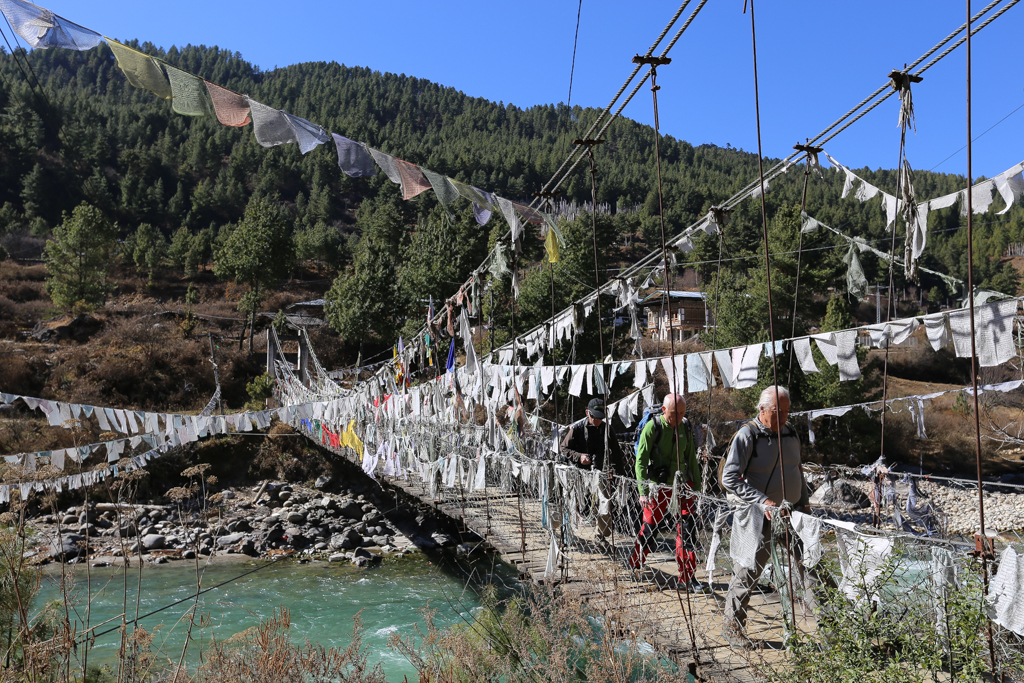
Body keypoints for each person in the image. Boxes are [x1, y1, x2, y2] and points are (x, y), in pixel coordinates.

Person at [720, 385, 810, 649]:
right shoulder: (747, 436)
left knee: (812, 568)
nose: (783, 417)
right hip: (761, 518)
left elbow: (797, 470)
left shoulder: (791, 433)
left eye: (786, 412)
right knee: (748, 572)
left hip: (793, 516)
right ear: (762, 409)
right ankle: (732, 628)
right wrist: (763, 501)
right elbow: (729, 478)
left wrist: (804, 505)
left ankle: (831, 630)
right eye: (777, 412)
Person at [627, 393, 704, 592]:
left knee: (687, 530)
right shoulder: (654, 427)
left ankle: (687, 577)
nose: (677, 418)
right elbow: (641, 461)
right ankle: (635, 563)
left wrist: (696, 487)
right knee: (650, 528)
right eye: (673, 414)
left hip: (682, 487)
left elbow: (691, 459)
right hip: (658, 487)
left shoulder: (685, 426)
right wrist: (643, 490)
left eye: (681, 413)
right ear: (663, 410)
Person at [560, 397, 626, 549]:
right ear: (587, 413)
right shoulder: (576, 429)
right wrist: (579, 457)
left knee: (604, 503)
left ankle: (601, 536)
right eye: (594, 417)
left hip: (599, 472)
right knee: (571, 502)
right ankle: (567, 532)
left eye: (600, 418)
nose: (597, 421)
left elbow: (616, 452)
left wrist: (620, 475)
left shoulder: (607, 429)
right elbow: (563, 448)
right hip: (578, 473)